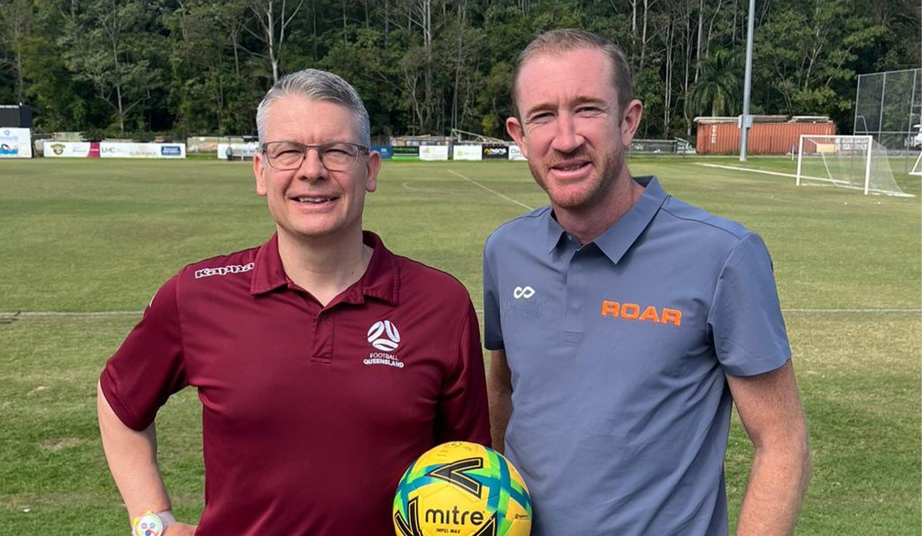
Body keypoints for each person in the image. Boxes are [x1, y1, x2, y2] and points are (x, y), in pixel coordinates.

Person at [98, 68, 490, 536]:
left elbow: (471, 469)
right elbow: (118, 400)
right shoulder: (196, 293)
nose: (312, 170)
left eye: (337, 151)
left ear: (370, 170)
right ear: (261, 172)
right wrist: (152, 521)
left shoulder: (441, 304)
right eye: (288, 151)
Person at [483, 29, 810, 535]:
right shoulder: (506, 251)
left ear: (628, 120)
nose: (565, 139)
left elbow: (783, 443)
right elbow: (503, 390)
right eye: (543, 116)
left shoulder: (723, 254)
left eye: (587, 109)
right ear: (519, 135)